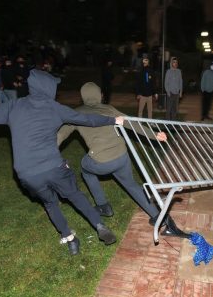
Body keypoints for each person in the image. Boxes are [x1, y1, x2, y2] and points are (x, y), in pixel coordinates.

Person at [0, 69, 124, 255]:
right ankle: (99, 225)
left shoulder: (13, 106)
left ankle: (70, 239)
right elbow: (87, 119)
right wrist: (113, 121)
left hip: (27, 174)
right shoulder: (55, 108)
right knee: (74, 195)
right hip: (54, 167)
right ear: (47, 87)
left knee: (49, 203)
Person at [57, 82, 190, 238]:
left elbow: (58, 137)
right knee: (131, 184)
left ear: (83, 97)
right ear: (99, 95)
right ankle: (160, 218)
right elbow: (131, 123)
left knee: (85, 168)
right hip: (122, 156)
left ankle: (103, 206)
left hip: (100, 161)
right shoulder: (109, 109)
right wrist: (154, 135)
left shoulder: (76, 114)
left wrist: (43, 154)